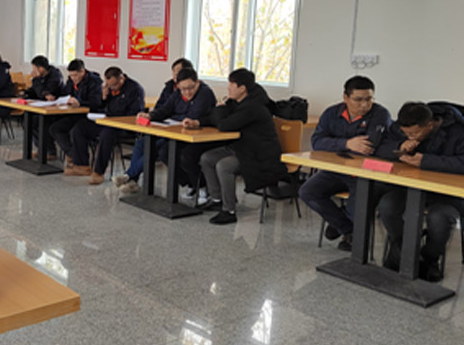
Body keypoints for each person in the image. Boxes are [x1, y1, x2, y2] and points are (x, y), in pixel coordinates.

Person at [374, 102, 464, 282]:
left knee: (439, 219)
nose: (410, 137)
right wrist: (400, 146)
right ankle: (404, 250)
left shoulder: (458, 131)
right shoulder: (404, 126)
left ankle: (429, 259)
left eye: (414, 134)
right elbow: (380, 147)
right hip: (411, 187)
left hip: (447, 193)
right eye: (406, 133)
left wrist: (426, 161)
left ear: (429, 125)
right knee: (388, 206)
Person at [299, 76, 391, 251]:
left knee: (360, 204)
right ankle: (346, 228)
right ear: (345, 98)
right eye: (358, 100)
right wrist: (346, 144)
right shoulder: (331, 113)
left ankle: (347, 231)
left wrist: (334, 145)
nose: (364, 104)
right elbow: (317, 142)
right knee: (308, 192)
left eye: (369, 99)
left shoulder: (380, 114)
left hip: (365, 174)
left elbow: (368, 147)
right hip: (337, 170)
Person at [200, 68, 286, 225]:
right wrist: (198, 122)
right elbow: (217, 119)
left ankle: (229, 211)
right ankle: (217, 199)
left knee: (224, 166)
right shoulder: (238, 102)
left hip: (259, 154)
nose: (228, 88)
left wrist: (220, 108)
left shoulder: (253, 106)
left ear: (242, 88)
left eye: (231, 85)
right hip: (243, 148)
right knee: (207, 158)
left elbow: (224, 125)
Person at [114, 67, 216, 198]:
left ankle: (129, 175)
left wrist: (174, 117)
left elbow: (193, 116)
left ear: (197, 82)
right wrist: (150, 116)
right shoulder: (178, 93)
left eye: (190, 88)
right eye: (183, 89)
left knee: (162, 150)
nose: (187, 92)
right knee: (142, 143)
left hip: (195, 137)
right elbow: (166, 109)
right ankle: (132, 177)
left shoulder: (205, 93)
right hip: (174, 131)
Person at [67, 67, 145, 184]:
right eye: (108, 85)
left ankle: (99, 172)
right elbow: (100, 106)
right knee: (79, 128)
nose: (112, 88)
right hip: (107, 120)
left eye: (114, 85)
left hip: (123, 126)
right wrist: (103, 98)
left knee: (106, 134)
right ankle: (81, 165)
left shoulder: (135, 90)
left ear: (122, 79)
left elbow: (134, 114)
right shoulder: (107, 88)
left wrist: (114, 117)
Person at [49, 59, 104, 164]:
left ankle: (78, 159)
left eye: (75, 75)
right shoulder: (71, 81)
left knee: (76, 130)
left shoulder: (94, 82)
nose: (73, 78)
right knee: (55, 128)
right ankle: (72, 154)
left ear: (82, 72)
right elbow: (65, 93)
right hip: (74, 114)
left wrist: (80, 103)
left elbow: (96, 102)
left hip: (90, 116)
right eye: (71, 75)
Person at [22, 55, 65, 159]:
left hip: (56, 110)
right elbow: (36, 91)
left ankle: (50, 151)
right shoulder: (40, 77)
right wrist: (26, 93)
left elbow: (45, 92)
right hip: (42, 108)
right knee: (27, 121)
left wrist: (36, 79)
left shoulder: (55, 76)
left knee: (39, 123)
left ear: (41, 69)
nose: (32, 71)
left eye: (34, 69)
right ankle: (41, 148)